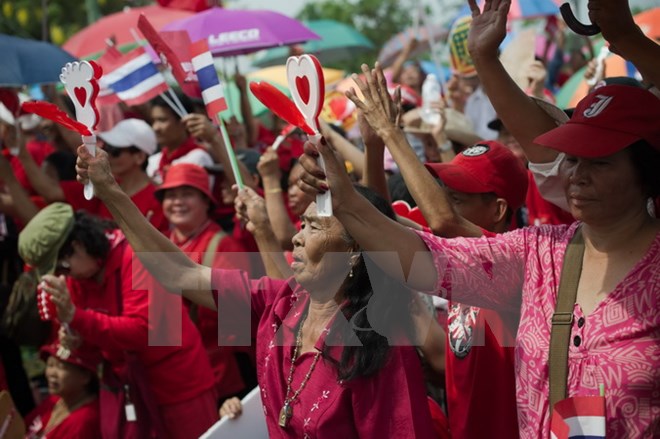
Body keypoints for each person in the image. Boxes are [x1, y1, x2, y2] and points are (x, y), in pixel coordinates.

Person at [296, 54, 660, 436]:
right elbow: (428, 260)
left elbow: (443, 226)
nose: (578, 175)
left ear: (647, 170)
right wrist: (344, 201)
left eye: (599, 162)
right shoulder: (539, 252)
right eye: (571, 159)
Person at [75, 148, 436, 438]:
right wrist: (111, 192)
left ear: (355, 252)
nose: (295, 237)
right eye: (301, 223)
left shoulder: (381, 350)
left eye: (313, 227)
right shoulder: (280, 302)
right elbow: (178, 273)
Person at [349, 64, 523, 438]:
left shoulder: (514, 263)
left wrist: (391, 134)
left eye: (458, 198)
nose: (444, 204)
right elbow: (382, 222)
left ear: (498, 210)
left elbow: (443, 221)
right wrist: (373, 146)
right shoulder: (456, 256)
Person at [20, 203, 218, 439]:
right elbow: (97, 342)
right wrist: (76, 339)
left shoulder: (136, 255)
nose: (64, 275)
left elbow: (144, 330)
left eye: (62, 266)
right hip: (130, 390)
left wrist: (77, 318)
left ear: (78, 244)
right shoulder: (79, 276)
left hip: (179, 389)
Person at [155, 163, 253, 402]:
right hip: (172, 374)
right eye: (171, 195)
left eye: (187, 194)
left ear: (206, 202)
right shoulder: (160, 243)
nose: (177, 202)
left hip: (220, 375)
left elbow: (240, 309)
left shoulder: (224, 245)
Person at [24, 342, 101, 438]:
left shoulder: (83, 422)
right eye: (50, 365)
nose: (51, 373)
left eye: (61, 367)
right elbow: (21, 428)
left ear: (85, 376)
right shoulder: (56, 399)